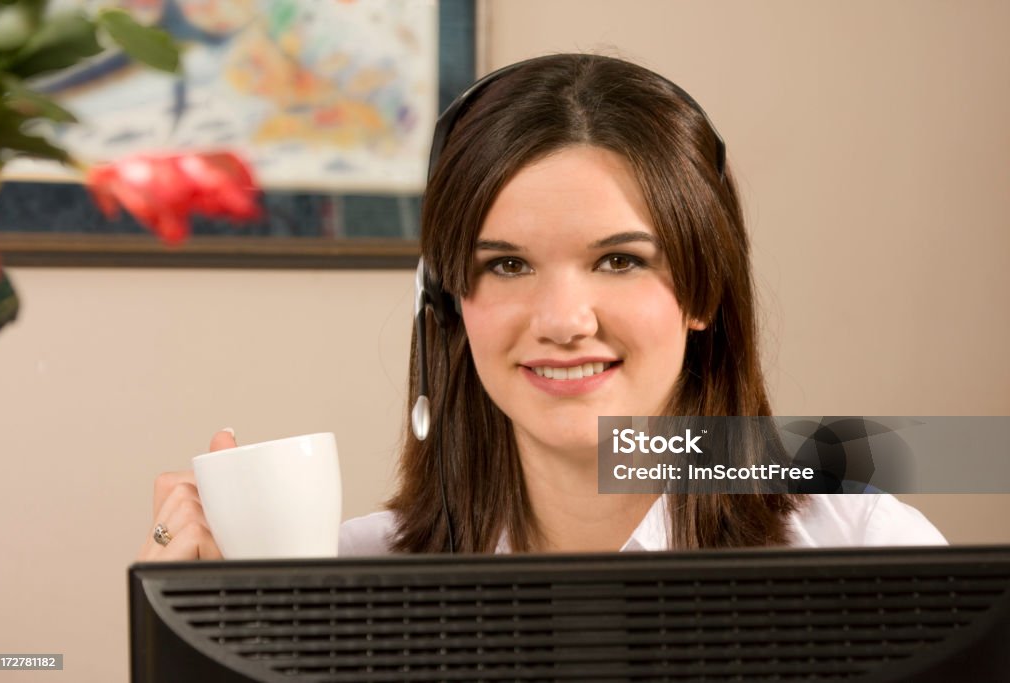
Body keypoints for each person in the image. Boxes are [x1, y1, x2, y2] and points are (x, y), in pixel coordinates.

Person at [138, 54, 945, 562]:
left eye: (620, 260)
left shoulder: (864, 546)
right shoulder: (342, 572)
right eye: (509, 264)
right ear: (449, 304)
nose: (563, 319)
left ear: (703, 289)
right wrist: (210, 625)